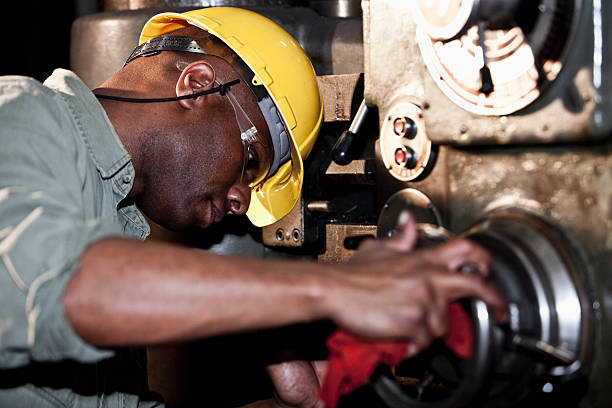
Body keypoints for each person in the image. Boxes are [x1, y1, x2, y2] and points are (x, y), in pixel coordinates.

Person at [0, 7, 506, 408]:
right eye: (250, 159)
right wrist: (337, 288)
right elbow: (60, 285)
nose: (241, 200)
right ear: (198, 84)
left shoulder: (115, 230)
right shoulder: (20, 111)